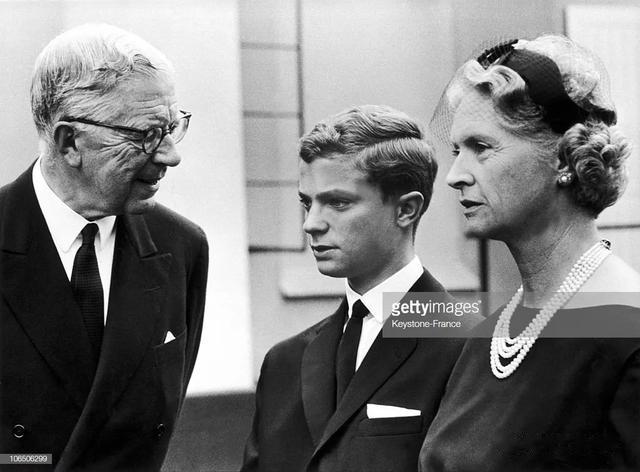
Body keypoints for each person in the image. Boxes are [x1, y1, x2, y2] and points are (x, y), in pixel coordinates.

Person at [419, 35, 640, 471]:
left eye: (481, 148)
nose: (455, 175)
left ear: (563, 158)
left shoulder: (627, 332)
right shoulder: (489, 338)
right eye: (457, 151)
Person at [0, 24, 208, 471]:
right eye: (146, 135)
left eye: (171, 128)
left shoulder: (181, 248)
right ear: (69, 142)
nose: (170, 155)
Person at [241, 105, 471, 472]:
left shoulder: (468, 345)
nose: (311, 224)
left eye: (337, 202)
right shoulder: (284, 362)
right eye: (307, 203)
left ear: (406, 210)